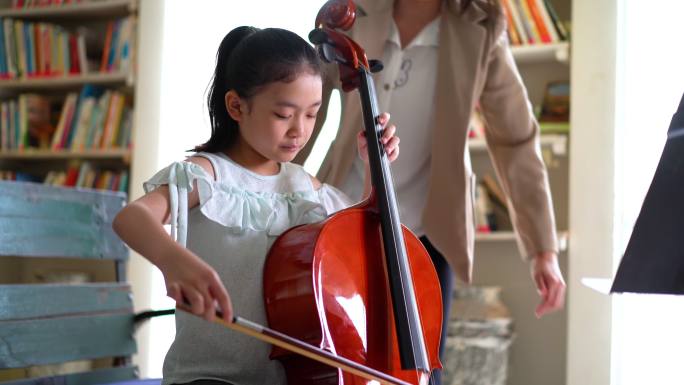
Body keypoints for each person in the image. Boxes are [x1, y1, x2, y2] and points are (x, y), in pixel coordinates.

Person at [295, 0, 566, 383]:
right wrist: (269, 187)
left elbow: (515, 138)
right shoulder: (352, 11)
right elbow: (306, 108)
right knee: (332, 362)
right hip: (341, 219)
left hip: (428, 233)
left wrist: (543, 250)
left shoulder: (482, 26)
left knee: (418, 371)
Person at [112, 26, 399, 385]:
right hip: (207, 378)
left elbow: (362, 237)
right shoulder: (208, 175)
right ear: (237, 106)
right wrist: (174, 262)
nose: (300, 130)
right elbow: (131, 218)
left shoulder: (303, 186)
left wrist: (376, 165)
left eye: (312, 114)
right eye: (283, 114)